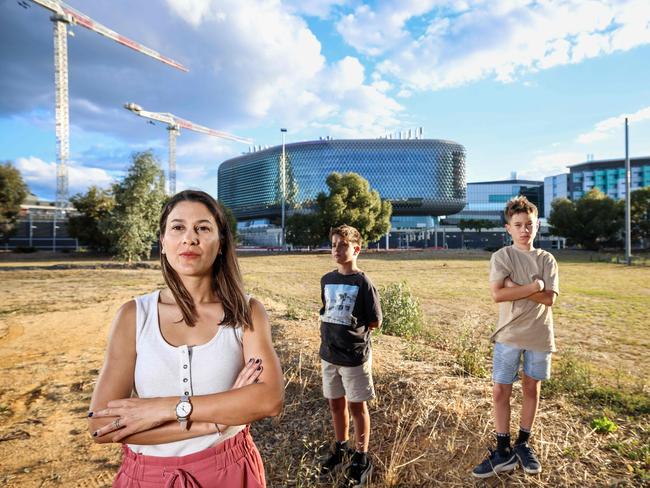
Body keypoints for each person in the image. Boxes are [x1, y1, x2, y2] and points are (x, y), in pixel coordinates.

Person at [88, 190, 284, 487]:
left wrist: (165, 408)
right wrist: (214, 421)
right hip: (147, 477)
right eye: (178, 227)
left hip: (230, 471)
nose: (189, 238)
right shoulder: (133, 315)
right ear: (163, 243)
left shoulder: (246, 312)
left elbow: (269, 399)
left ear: (220, 244)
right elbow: (101, 425)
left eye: (202, 228)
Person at [472, 196, 559, 479]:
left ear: (537, 226)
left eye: (529, 225)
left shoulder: (547, 259)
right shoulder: (502, 257)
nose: (524, 230)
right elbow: (498, 294)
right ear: (508, 228)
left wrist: (518, 286)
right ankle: (501, 450)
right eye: (518, 225)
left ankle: (523, 444)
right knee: (500, 391)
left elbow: (549, 300)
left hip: (538, 336)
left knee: (531, 389)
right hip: (508, 335)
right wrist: (534, 285)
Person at [318, 224, 382, 487]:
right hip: (329, 355)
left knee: (357, 407)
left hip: (354, 358)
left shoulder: (363, 282)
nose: (336, 249)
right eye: (334, 245)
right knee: (336, 404)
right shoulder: (326, 279)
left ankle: (361, 456)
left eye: (342, 245)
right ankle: (341, 447)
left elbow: (375, 321)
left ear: (356, 249)